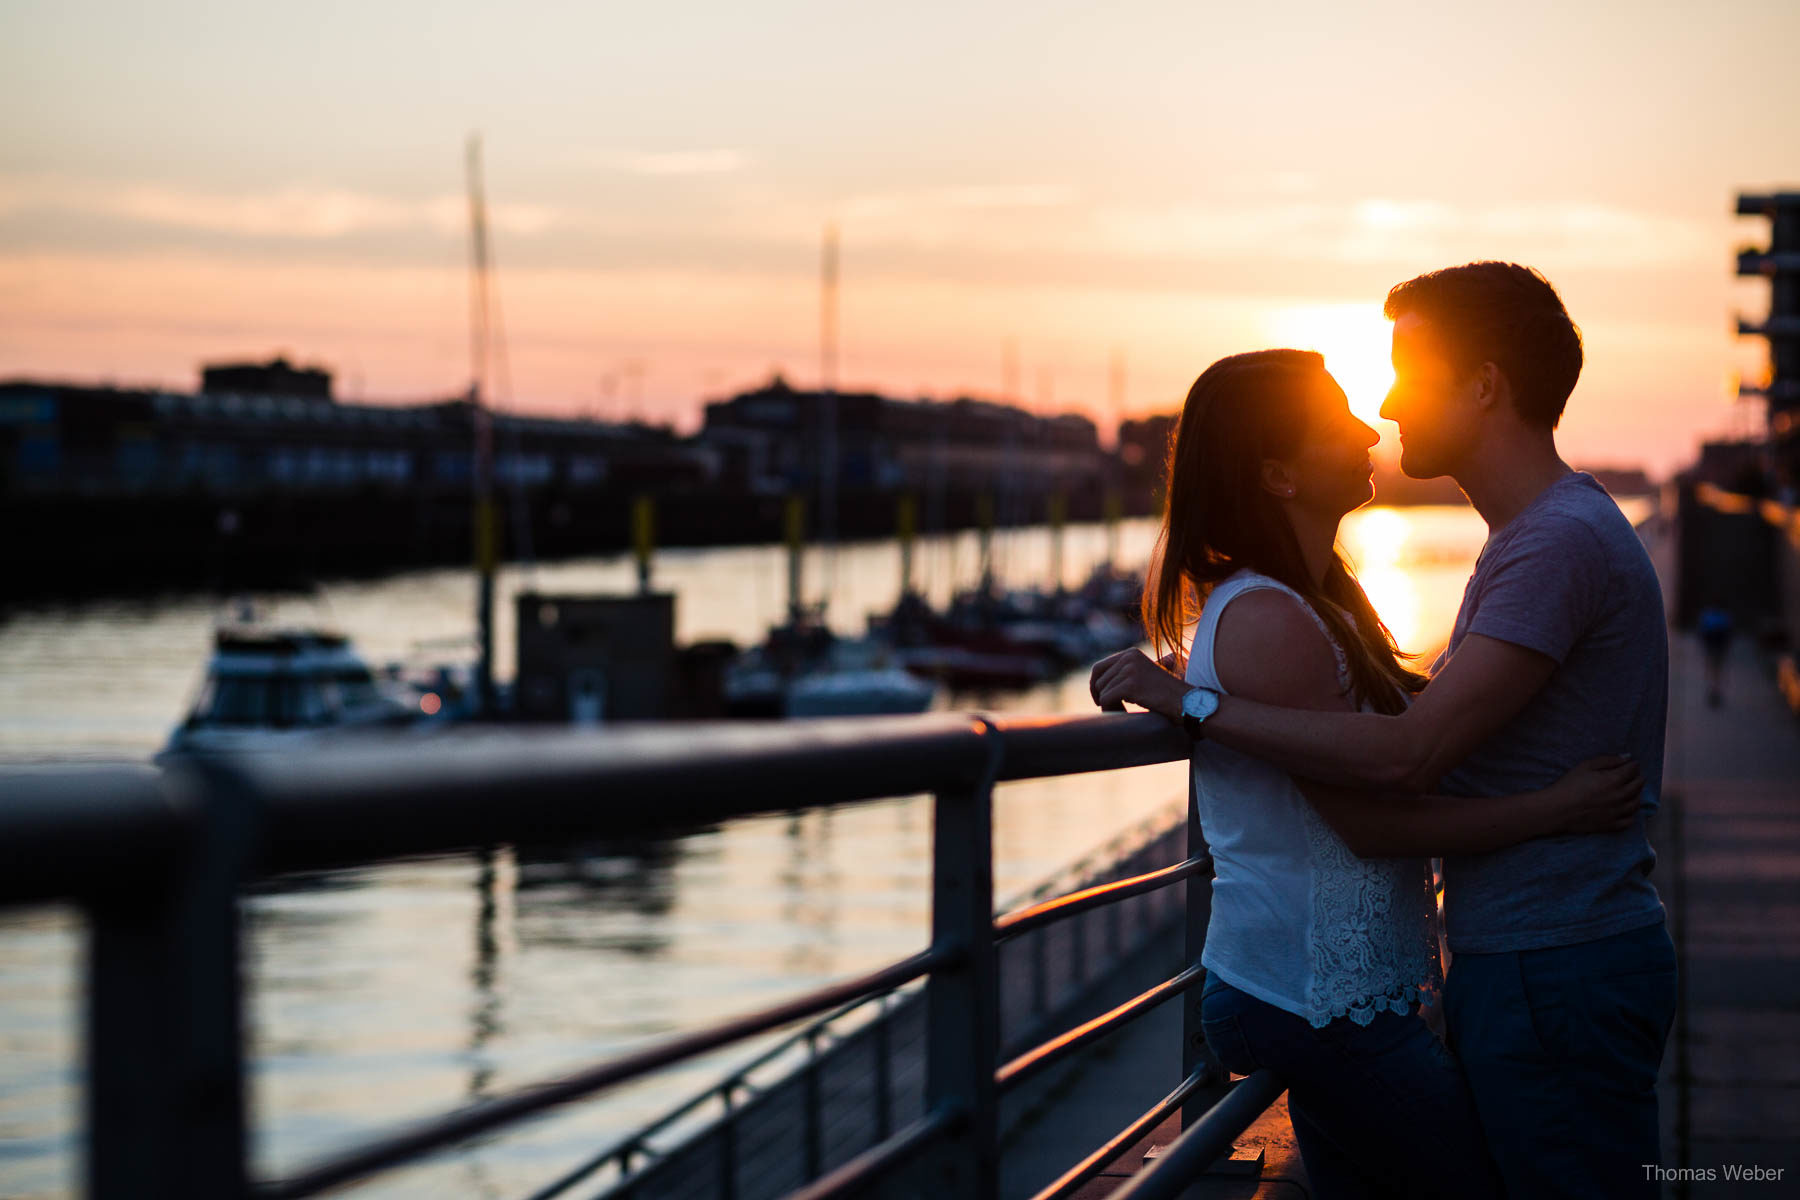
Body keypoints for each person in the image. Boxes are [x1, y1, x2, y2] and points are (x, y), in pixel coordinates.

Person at [1092, 264, 1674, 1199]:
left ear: (1484, 384)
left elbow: (1409, 753)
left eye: (1407, 370)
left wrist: (1196, 704)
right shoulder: (1531, 540)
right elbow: (1392, 770)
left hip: (1552, 963)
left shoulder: (1551, 543)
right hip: (1513, 965)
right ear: (1276, 470)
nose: (1384, 408)